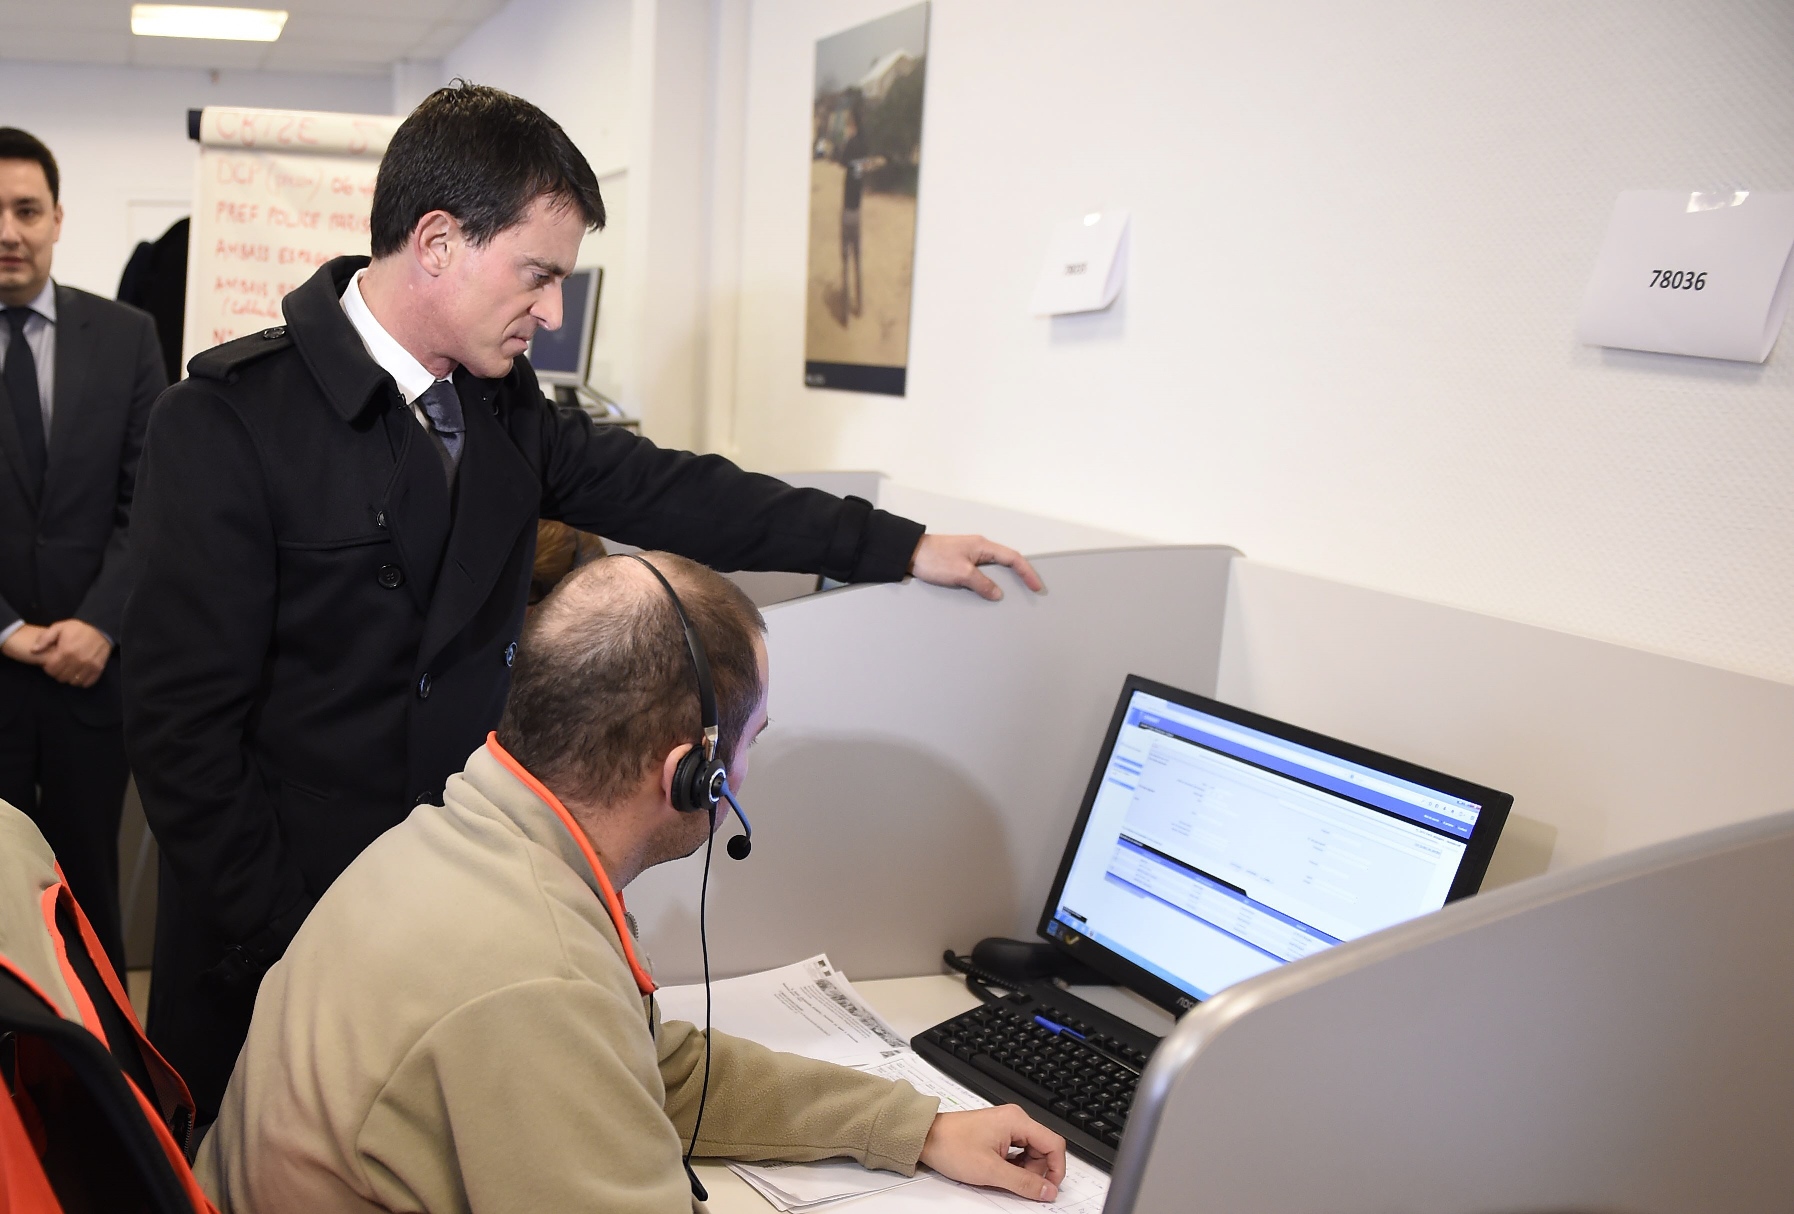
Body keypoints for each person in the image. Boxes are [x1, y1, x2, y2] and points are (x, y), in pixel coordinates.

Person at [123, 81, 1042, 1122]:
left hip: (459, 895)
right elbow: (181, 737)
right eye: (538, 275)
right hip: (281, 934)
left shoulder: (501, 406)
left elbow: (674, 490)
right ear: (436, 242)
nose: (554, 312)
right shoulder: (226, 421)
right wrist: (300, 937)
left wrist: (896, 543)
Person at [196, 552, 1066, 1211]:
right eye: (752, 738)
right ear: (693, 774)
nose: (751, 767)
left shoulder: (464, 839)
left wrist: (918, 1127)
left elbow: (656, 1073)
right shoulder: (536, 971)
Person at [0, 128, 166, 970]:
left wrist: (101, 624)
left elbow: (152, 503)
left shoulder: (128, 337)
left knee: (87, 890)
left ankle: (100, 1077)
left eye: (27, 210)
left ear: (57, 218)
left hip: (91, 677)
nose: (10, 231)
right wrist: (6, 629)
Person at [835, 97, 885, 321]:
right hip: (858, 210)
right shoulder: (864, 144)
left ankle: (845, 313)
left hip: (847, 211)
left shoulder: (852, 144)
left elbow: (841, 160)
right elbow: (863, 163)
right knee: (858, 261)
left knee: (845, 261)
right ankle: (860, 305)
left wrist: (847, 139)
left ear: (852, 123)